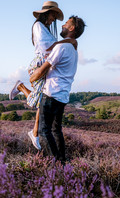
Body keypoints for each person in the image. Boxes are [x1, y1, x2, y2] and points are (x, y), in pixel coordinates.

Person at [9, 1, 77, 150]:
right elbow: (47, 47)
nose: (54, 19)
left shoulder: (44, 28)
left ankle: (34, 133)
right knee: (38, 101)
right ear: (46, 13)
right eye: (53, 15)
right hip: (40, 64)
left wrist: (66, 43)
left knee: (41, 100)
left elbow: (53, 48)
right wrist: (68, 41)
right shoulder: (38, 26)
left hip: (45, 64)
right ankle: (20, 86)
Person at [30, 15, 86, 165]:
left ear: (72, 28)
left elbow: (43, 69)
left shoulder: (62, 47)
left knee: (44, 130)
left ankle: (56, 164)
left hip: (51, 93)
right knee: (56, 130)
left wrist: (32, 78)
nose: (62, 26)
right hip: (62, 96)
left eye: (66, 24)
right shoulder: (73, 50)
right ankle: (63, 159)